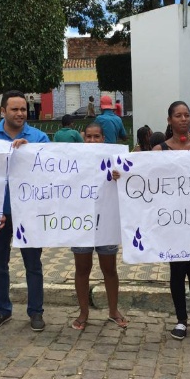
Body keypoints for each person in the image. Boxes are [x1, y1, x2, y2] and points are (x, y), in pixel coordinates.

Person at [0, 90, 49, 332]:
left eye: (23, 109)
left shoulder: (38, 138)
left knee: (33, 264)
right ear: (3, 111)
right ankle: (2, 309)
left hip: (28, 213)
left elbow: (50, 173)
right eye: (15, 109)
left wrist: (31, 154)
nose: (20, 113)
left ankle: (36, 312)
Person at [153, 101, 190, 340]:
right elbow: (142, 177)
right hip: (172, 222)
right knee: (176, 271)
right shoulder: (159, 151)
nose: (184, 119)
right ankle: (180, 320)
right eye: (178, 115)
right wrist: (121, 174)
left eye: (187, 115)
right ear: (170, 120)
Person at [71, 122, 127, 331]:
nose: (93, 141)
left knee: (109, 268)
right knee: (82, 268)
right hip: (80, 223)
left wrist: (118, 176)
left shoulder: (115, 160)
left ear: (104, 139)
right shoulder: (73, 160)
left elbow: (128, 180)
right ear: (83, 137)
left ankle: (113, 311)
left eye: (97, 137)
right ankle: (83, 312)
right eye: (89, 137)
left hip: (107, 222)